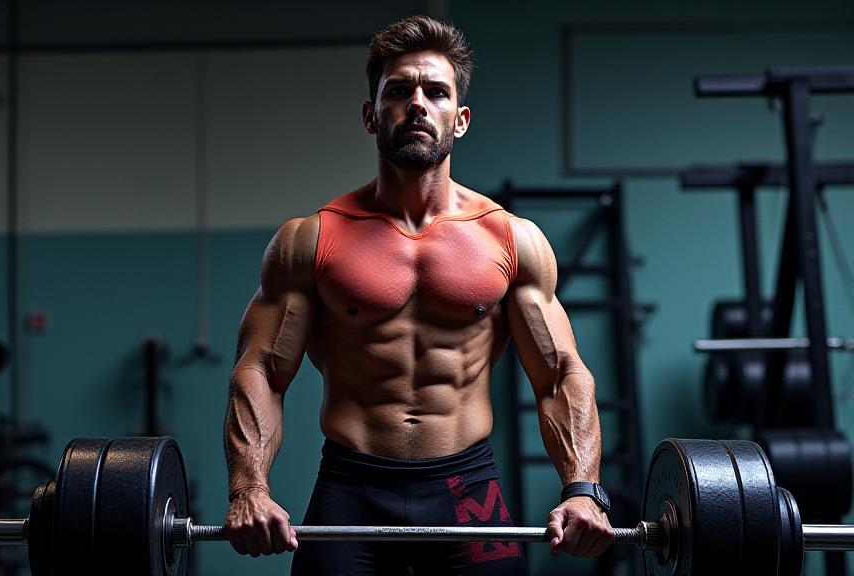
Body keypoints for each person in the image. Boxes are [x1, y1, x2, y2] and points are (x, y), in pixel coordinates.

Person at [223, 15, 613, 575]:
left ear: (461, 118)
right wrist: (248, 488)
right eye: (398, 90)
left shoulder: (511, 239)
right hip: (351, 488)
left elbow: (559, 374)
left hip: (467, 487)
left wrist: (582, 488)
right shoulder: (309, 241)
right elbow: (259, 370)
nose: (417, 104)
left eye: (436, 92)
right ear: (370, 114)